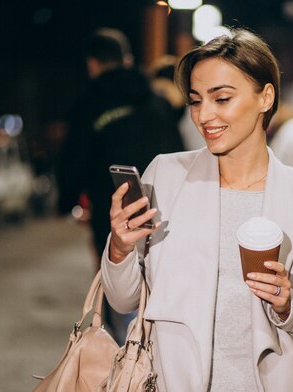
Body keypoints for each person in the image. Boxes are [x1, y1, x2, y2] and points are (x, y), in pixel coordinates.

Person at [100, 28, 293, 392]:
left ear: (266, 96)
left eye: (222, 98)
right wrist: (120, 247)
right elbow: (123, 300)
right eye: (195, 101)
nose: (204, 115)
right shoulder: (165, 176)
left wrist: (286, 302)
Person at [55, 28, 184, 343]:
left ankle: (128, 353)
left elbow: (74, 159)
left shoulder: (88, 106)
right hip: (166, 211)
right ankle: (157, 345)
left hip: (113, 213)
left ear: (93, 64)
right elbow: (179, 154)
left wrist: (68, 200)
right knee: (160, 279)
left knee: (118, 284)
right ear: (126, 59)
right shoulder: (157, 102)